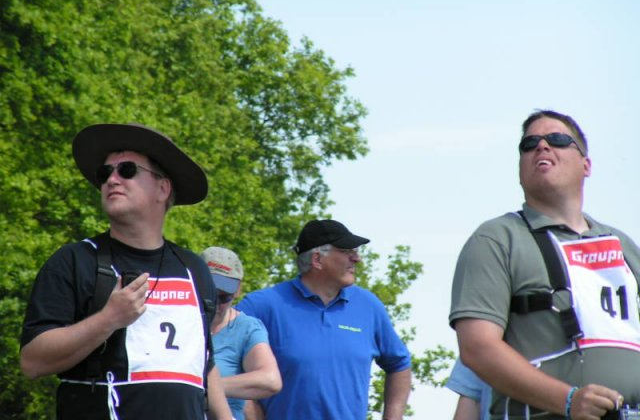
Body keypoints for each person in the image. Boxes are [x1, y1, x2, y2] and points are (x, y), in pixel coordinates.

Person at [20, 123, 232, 420]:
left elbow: (204, 363)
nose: (112, 180)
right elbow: (32, 362)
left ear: (163, 188)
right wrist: (108, 319)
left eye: (127, 170)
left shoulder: (193, 269)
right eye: (105, 173)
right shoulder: (75, 260)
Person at [449, 110, 640, 419]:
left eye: (557, 139)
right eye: (529, 144)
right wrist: (568, 400)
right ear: (520, 169)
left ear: (586, 165)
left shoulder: (623, 245)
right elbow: (477, 347)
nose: (541, 146)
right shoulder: (497, 239)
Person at [236, 219, 412, 420]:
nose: (357, 258)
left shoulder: (369, 306)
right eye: (346, 251)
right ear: (317, 259)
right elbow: (218, 354)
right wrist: (247, 409)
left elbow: (399, 364)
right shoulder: (263, 305)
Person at [201, 246, 282, 419]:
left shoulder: (246, 328)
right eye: (209, 295)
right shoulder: (178, 320)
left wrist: (206, 389)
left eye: (224, 297)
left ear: (238, 290)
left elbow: (271, 380)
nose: (215, 304)